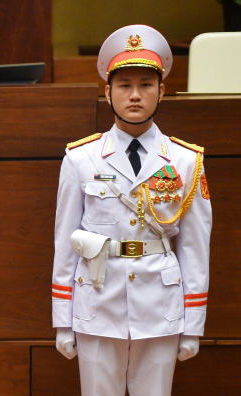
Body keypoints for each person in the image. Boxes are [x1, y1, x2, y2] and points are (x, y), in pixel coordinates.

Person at [52, 25, 212, 395]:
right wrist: (63, 319)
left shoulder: (187, 161)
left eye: (146, 84)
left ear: (162, 91)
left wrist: (193, 323)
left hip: (161, 303)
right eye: (124, 85)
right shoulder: (81, 157)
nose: (135, 95)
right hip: (97, 300)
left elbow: (195, 247)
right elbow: (63, 241)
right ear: (107, 93)